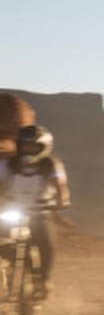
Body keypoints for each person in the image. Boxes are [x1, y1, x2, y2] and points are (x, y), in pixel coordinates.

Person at [0, 125, 71, 299]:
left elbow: (61, 186)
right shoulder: (8, 164)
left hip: (40, 211)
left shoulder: (51, 164)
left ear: (43, 147)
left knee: (46, 244)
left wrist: (62, 201)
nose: (28, 150)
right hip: (13, 209)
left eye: (33, 146)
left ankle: (45, 279)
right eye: (25, 146)